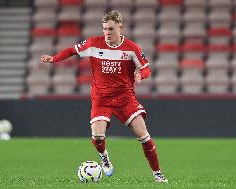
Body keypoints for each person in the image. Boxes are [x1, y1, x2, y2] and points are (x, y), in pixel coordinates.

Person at [41, 10, 168, 183]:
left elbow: (146, 68)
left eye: (110, 29)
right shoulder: (94, 43)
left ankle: (158, 174)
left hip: (125, 98)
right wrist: (54, 58)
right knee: (98, 136)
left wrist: (141, 75)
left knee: (143, 135)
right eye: (104, 29)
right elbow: (72, 50)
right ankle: (105, 159)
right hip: (101, 98)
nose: (107, 33)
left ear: (120, 28)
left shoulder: (132, 48)